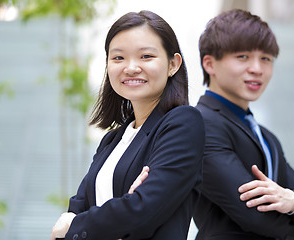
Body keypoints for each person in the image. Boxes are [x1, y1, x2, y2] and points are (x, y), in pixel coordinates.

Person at [50, 10, 205, 240]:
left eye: (146, 56)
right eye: (118, 58)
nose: (131, 67)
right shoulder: (112, 141)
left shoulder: (183, 124)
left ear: (173, 64)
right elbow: (76, 209)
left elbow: (143, 210)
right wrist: (123, 210)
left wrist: (81, 224)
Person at [193, 9, 294, 239]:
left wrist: (293, 201)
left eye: (266, 59)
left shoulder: (266, 137)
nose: (257, 68)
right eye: (243, 57)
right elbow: (253, 215)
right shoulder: (200, 123)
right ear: (210, 64)